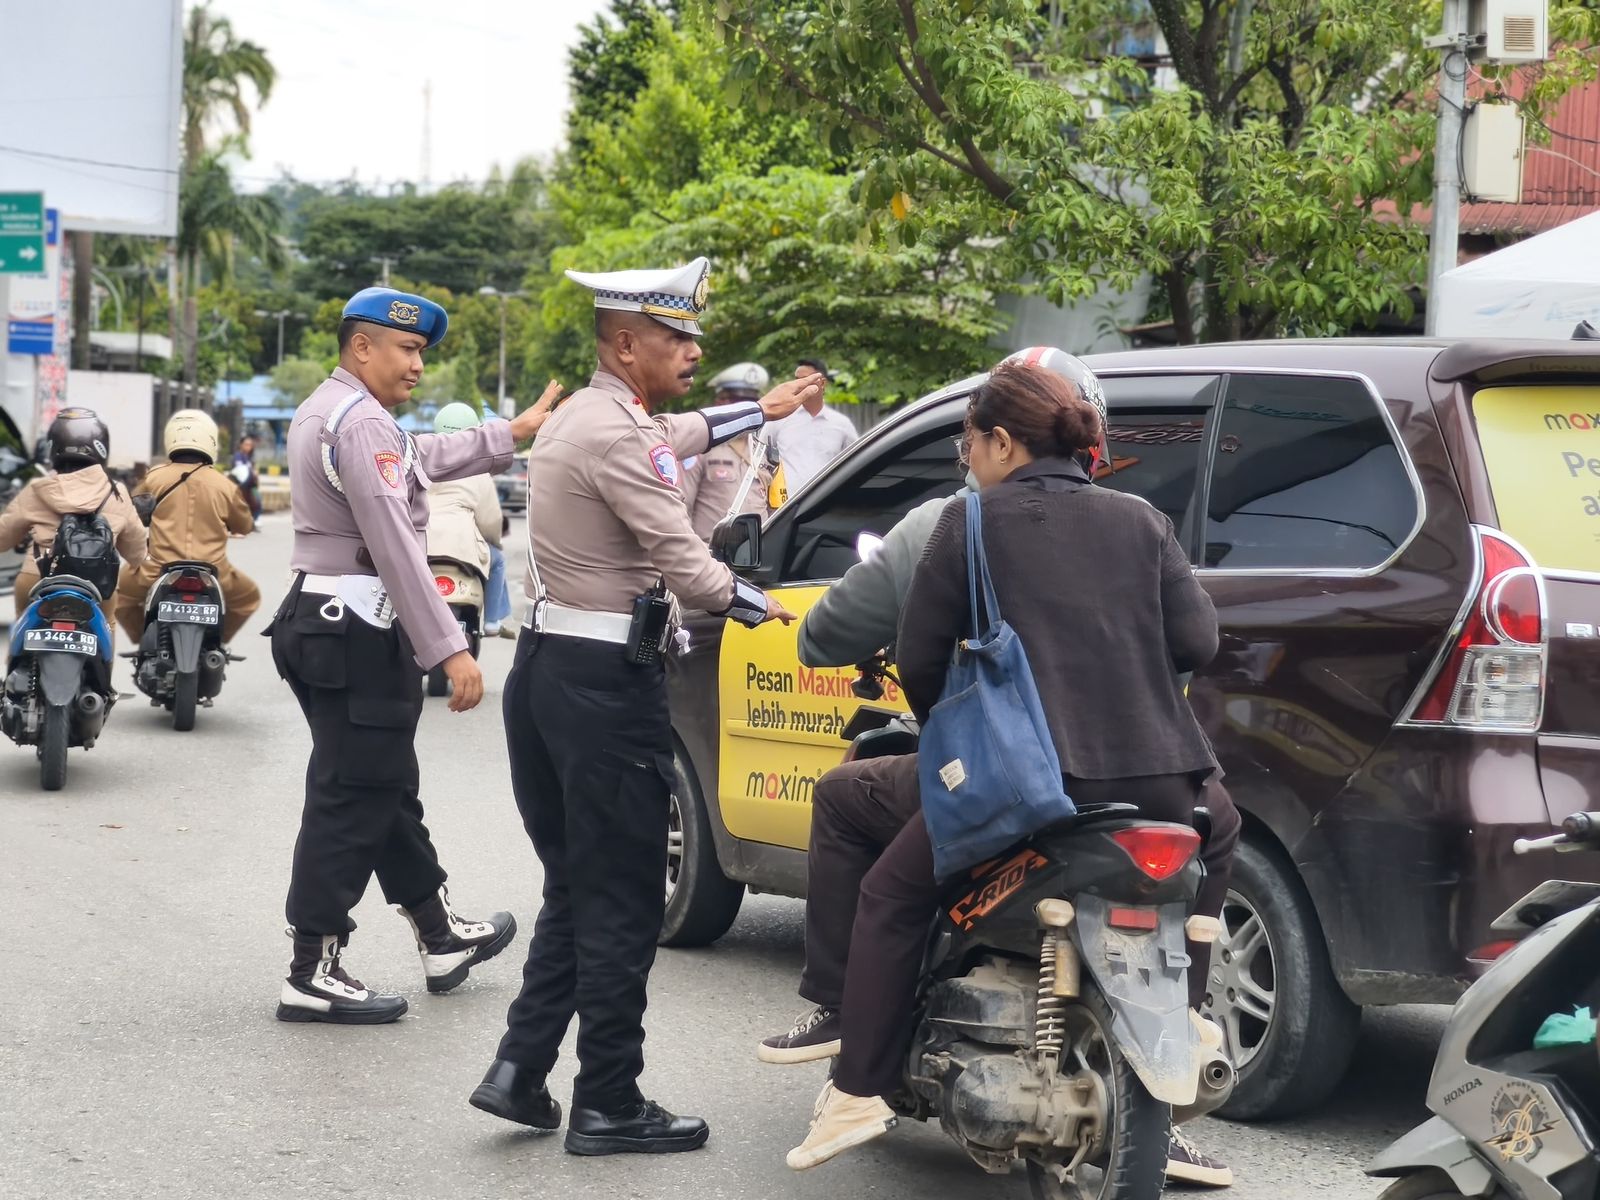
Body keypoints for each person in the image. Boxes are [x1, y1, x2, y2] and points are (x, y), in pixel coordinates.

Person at [783, 358, 1236, 1187]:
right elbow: (1199, 645)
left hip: (1030, 789)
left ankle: (858, 1087)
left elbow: (920, 660)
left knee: (890, 891)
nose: (968, 459)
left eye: (969, 442)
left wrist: (959, 735)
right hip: (1167, 781)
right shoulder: (1142, 520)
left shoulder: (972, 521)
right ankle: (1191, 1018)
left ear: (999, 441)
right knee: (1220, 834)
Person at [469, 256, 822, 1156]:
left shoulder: (597, 418)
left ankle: (518, 1070)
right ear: (628, 344)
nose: (694, 348)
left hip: (552, 669)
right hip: (603, 686)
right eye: (677, 336)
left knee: (580, 884)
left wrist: (759, 410)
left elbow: (681, 432)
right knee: (624, 895)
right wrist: (764, 606)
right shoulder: (621, 434)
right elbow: (688, 565)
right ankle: (609, 1102)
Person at [268, 286, 558, 1025]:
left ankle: (438, 933)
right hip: (356, 624)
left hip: (323, 617)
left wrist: (509, 433)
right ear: (362, 347)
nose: (418, 366)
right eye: (407, 350)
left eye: (422, 352)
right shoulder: (361, 422)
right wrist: (450, 646)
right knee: (351, 794)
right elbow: (398, 543)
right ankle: (312, 968)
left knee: (380, 782)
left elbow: (422, 454)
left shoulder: (331, 410)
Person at [113, 409, 259, 646]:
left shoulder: (154, 478)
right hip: (214, 573)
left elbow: (133, 515)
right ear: (210, 441)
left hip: (156, 570)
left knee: (119, 596)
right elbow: (244, 526)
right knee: (249, 597)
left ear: (171, 438)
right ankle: (216, 644)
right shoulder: (224, 485)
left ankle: (146, 644)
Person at [0, 407, 146, 623]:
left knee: (23, 629)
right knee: (107, 627)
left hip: (37, 577)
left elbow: (3, 538)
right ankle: (104, 658)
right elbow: (136, 553)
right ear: (102, 447)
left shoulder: (37, 489)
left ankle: (19, 657)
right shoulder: (116, 493)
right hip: (98, 585)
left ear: (53, 447)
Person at [425, 402, 513, 637]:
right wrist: (494, 541)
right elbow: (490, 519)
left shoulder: (420, 460)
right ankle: (492, 622)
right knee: (498, 560)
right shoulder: (478, 469)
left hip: (420, 542)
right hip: (461, 547)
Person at [680, 361, 778, 541]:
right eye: (740, 403)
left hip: (757, 554)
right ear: (720, 403)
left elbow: (776, 509)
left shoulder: (764, 449)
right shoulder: (699, 447)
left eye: (752, 403)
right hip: (710, 557)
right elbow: (681, 507)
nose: (747, 410)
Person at [769, 356, 857, 492]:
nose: (799, 385)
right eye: (797, 379)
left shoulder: (841, 424)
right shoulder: (780, 417)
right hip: (783, 507)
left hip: (824, 505)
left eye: (806, 380)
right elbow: (760, 459)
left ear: (822, 383)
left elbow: (855, 463)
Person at [230, 434, 262, 521]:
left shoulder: (249, 458)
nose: (249, 447)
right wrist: (252, 472)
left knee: (257, 501)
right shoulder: (238, 456)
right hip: (241, 487)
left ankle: (253, 521)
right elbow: (240, 472)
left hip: (250, 486)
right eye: (246, 444)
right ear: (241, 444)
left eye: (250, 445)